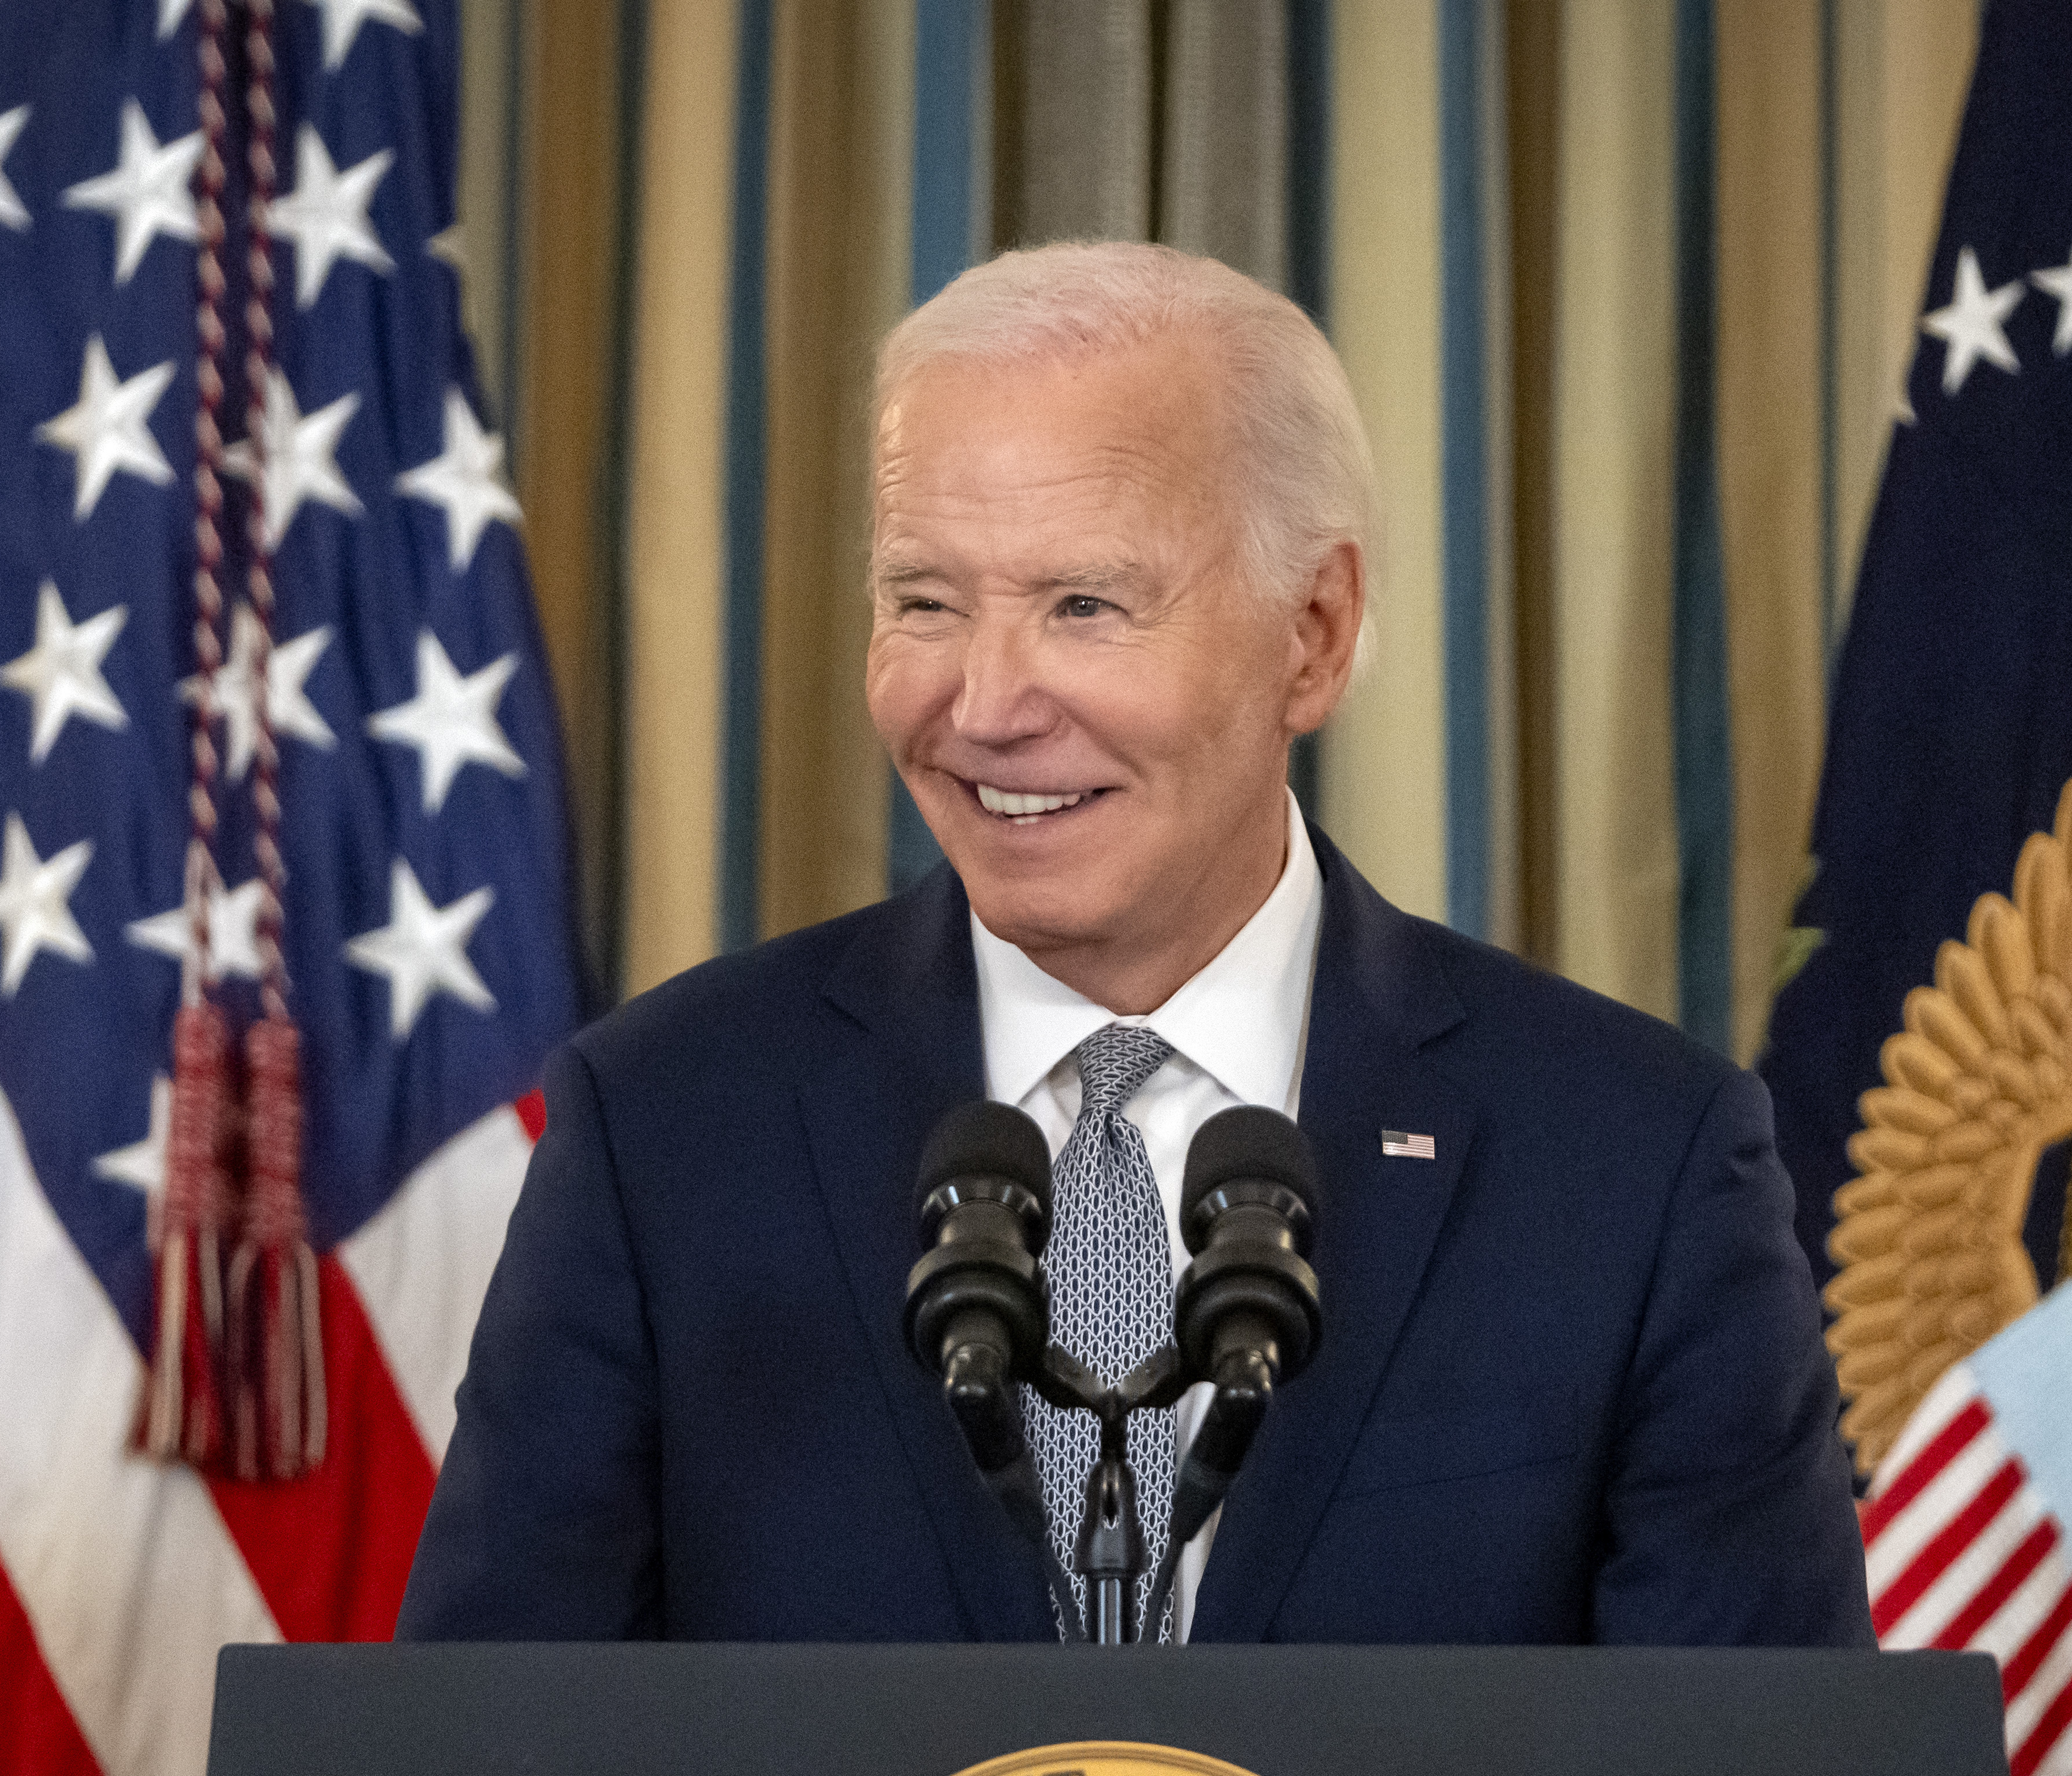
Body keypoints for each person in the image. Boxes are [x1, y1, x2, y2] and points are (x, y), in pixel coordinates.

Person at [397, 242, 1872, 1647]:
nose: (981, 705)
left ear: (1312, 633)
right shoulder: (662, 1129)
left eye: (1083, 606)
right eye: (924, 601)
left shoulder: (1633, 1161)